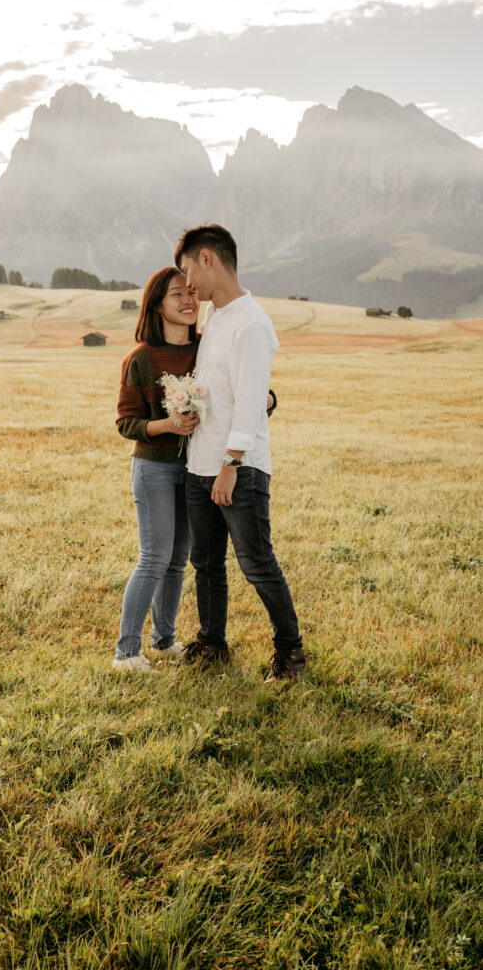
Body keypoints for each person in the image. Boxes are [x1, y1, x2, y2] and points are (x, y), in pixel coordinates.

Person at [174, 224, 305, 682]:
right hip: (199, 465)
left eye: (189, 272)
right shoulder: (214, 318)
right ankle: (212, 642)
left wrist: (230, 465)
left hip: (238, 470)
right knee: (206, 563)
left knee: (257, 563)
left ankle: (290, 653)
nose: (188, 285)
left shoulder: (250, 323)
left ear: (208, 259)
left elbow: (251, 404)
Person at [112, 267, 200, 672]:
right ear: (157, 305)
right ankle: (126, 654)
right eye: (176, 295)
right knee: (154, 557)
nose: (188, 301)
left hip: (194, 468)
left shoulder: (206, 350)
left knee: (179, 556)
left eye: (192, 292)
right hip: (154, 470)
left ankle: (164, 641)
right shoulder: (141, 359)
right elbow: (125, 423)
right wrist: (166, 425)